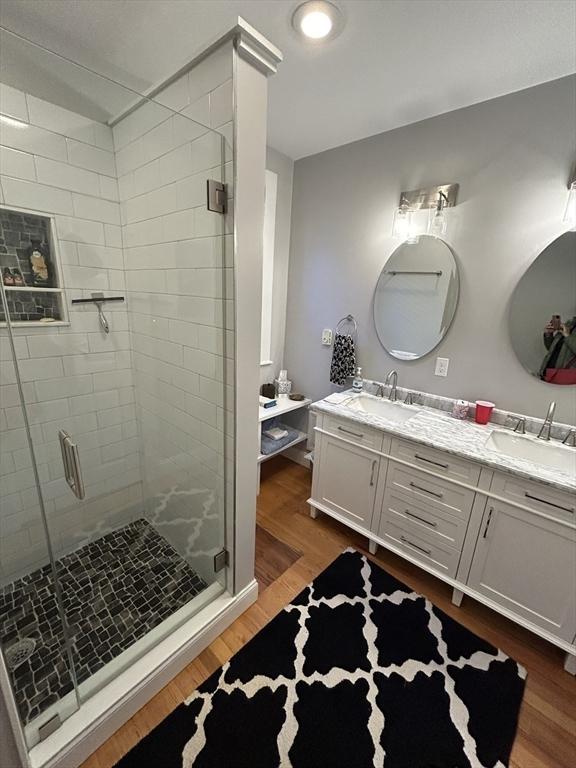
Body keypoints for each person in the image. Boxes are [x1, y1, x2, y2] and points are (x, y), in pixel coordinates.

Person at [539, 315, 576, 383]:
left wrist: (567, 336)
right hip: (547, 373)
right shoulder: (569, 324)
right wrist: (548, 334)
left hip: (564, 379)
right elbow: (552, 348)